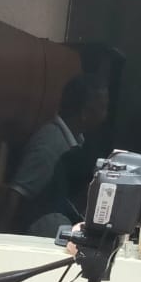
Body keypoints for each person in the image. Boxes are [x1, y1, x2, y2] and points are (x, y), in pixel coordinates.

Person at [11, 74, 108, 236]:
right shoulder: (49, 145)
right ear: (85, 112)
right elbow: (16, 195)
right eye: (103, 108)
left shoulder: (77, 142)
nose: (105, 116)